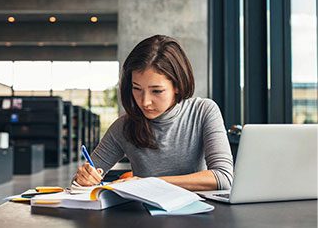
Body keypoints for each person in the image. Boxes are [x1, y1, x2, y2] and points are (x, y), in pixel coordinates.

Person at [73, 35, 233, 191]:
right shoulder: (123, 127)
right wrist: (83, 179)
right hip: (144, 216)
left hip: (198, 214)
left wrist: (149, 183)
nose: (144, 102)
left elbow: (223, 177)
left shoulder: (203, 111)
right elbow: (78, 184)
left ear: (177, 85)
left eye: (156, 91)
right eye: (137, 88)